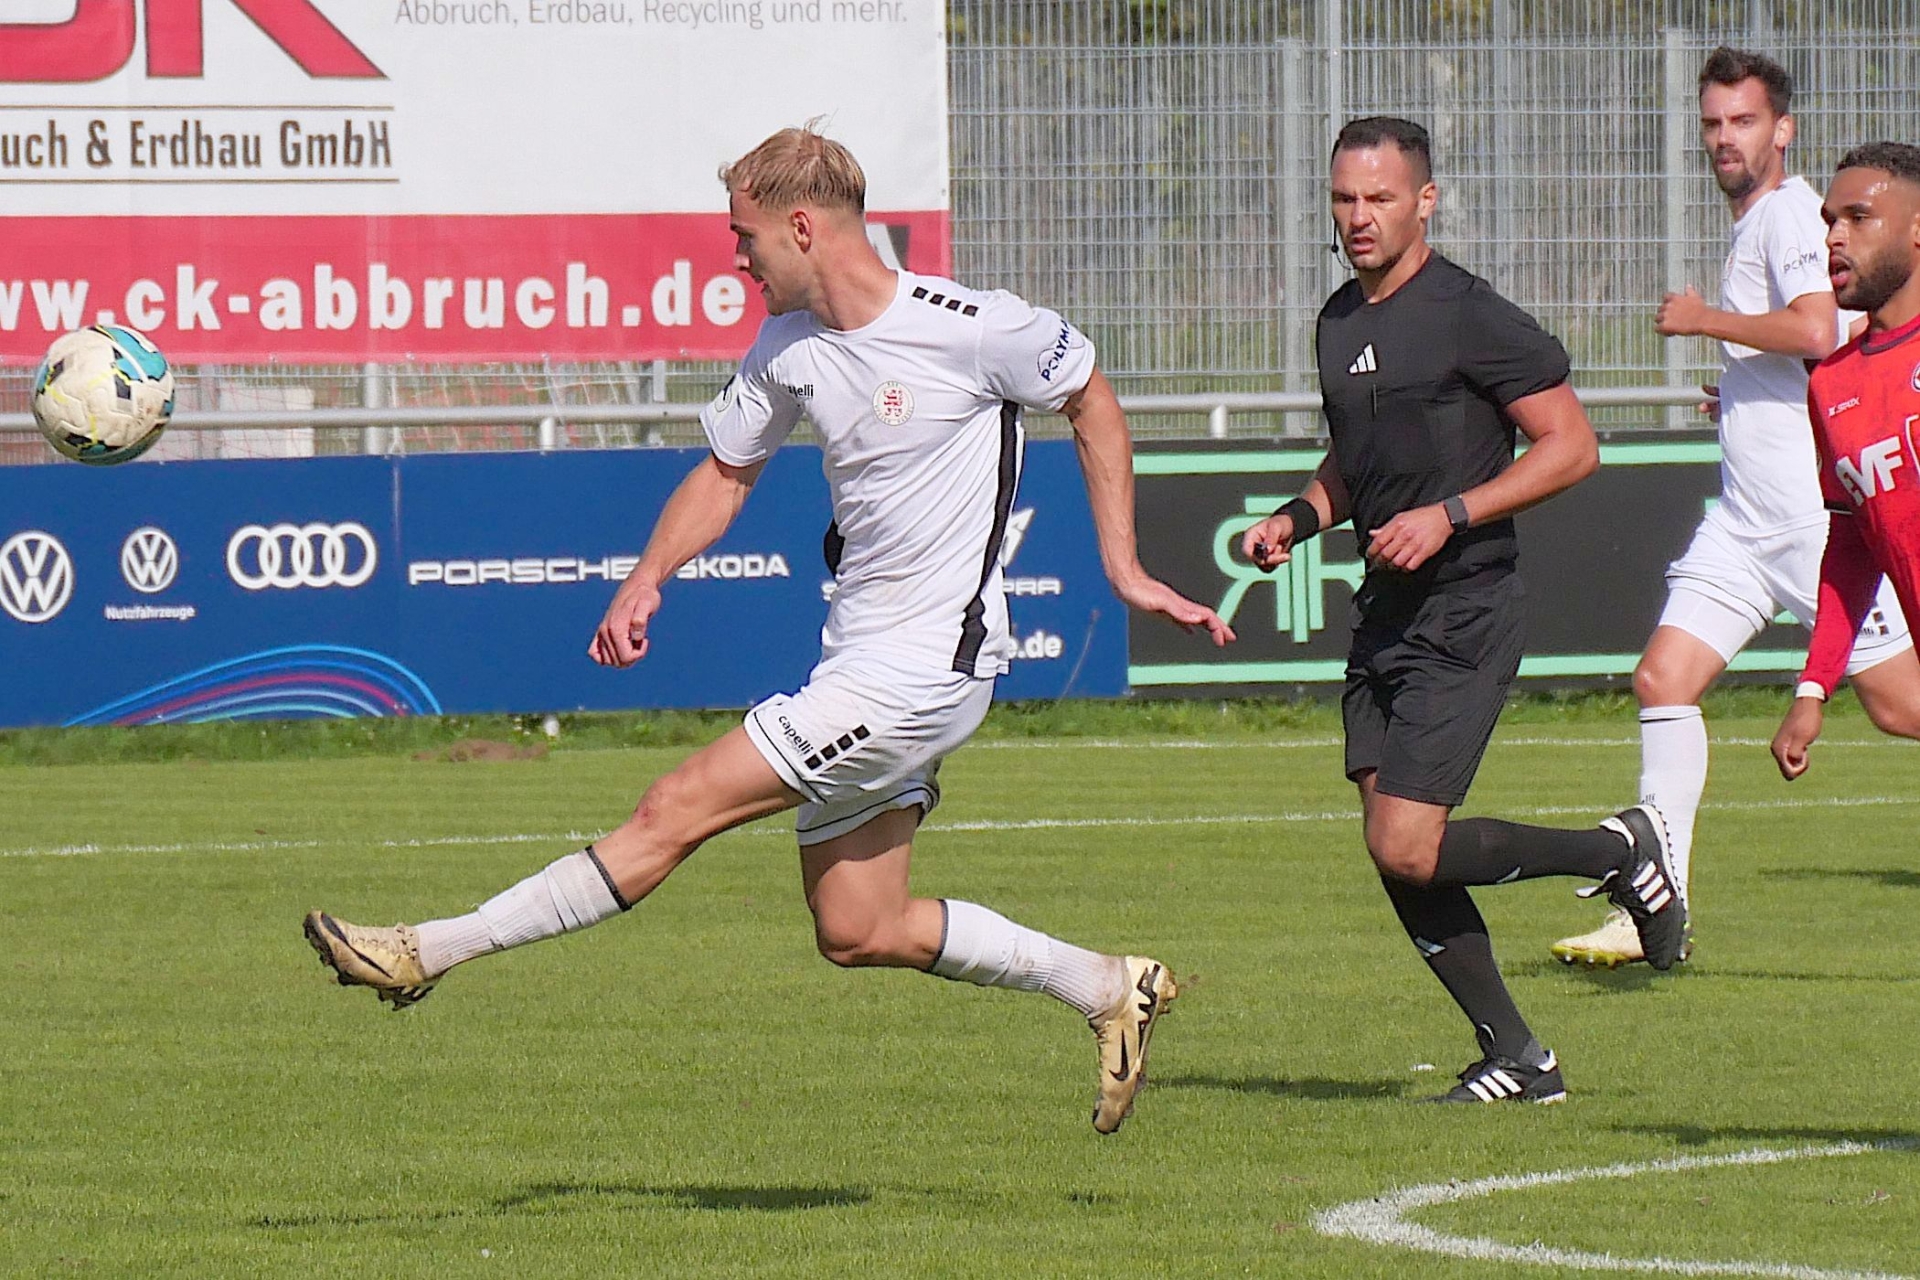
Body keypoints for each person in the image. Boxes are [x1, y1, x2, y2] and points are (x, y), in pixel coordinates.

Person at [304, 125, 1234, 1136]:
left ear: (800, 227)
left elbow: (1091, 398)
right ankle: (1106, 985)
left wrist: (1123, 567)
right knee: (858, 925)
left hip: (923, 672)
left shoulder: (972, 327)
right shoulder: (786, 347)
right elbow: (726, 473)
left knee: (672, 808)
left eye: (743, 235)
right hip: (859, 660)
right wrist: (646, 578)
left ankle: (426, 950)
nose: (736, 257)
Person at [1240, 116, 1687, 1105]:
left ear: (1425, 201)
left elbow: (1572, 446)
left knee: (1406, 841)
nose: (1359, 216)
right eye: (1344, 199)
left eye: (1380, 197)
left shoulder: (1470, 314)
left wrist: (1450, 515)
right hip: (1385, 610)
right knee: (1394, 847)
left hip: (1467, 604)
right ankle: (1519, 1056)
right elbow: (1357, 461)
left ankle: (1617, 850)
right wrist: (1295, 518)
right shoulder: (1338, 319)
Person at [1552, 48, 1920, 969]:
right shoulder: (1771, 221)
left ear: (1781, 129)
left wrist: (1702, 321)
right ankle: (1654, 904)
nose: (1726, 138)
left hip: (1803, 519)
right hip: (1746, 521)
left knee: (1897, 707)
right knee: (1662, 680)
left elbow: (1817, 328)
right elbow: (1821, 349)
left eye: (1744, 121)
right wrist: (1747, 391)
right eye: (1713, 122)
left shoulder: (1791, 214)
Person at [1773, 142, 1920, 780]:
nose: (1834, 237)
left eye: (1859, 218)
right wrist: (1814, 687)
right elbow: (1855, 543)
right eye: (1831, 220)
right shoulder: (1831, 386)